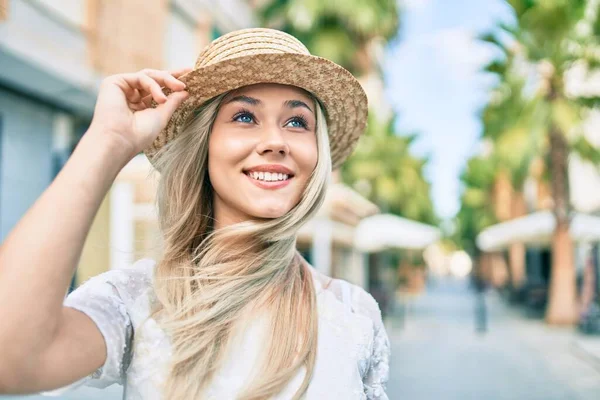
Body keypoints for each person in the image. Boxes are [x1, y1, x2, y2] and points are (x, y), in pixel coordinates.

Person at [0, 28, 390, 399]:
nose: (275, 141)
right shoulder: (140, 301)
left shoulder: (355, 313)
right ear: (205, 146)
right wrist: (108, 141)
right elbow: (10, 357)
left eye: (296, 122)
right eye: (244, 116)